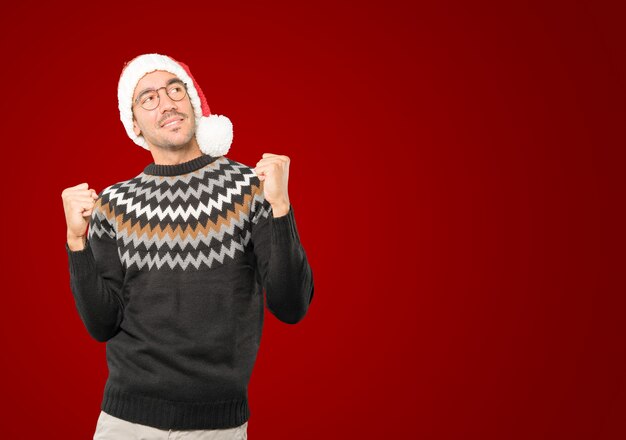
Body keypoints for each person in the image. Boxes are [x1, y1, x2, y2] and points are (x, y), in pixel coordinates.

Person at [61, 53, 315, 440]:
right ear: (134, 124)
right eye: (148, 97)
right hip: (124, 422)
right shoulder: (113, 204)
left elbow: (291, 306)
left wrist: (281, 208)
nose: (166, 103)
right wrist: (75, 242)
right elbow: (101, 324)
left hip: (218, 426)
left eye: (174, 89)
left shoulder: (250, 188)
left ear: (193, 102)